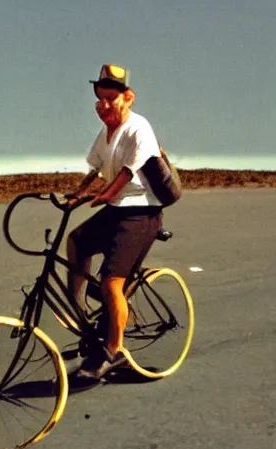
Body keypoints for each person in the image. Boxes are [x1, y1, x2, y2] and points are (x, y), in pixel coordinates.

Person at [67, 63, 164, 378]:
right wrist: (78, 194)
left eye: (111, 98)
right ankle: (78, 309)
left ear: (128, 98)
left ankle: (115, 351)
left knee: (112, 282)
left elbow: (128, 171)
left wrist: (108, 195)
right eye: (100, 99)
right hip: (117, 207)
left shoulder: (139, 127)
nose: (103, 105)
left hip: (141, 210)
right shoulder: (106, 132)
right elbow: (96, 167)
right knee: (77, 240)